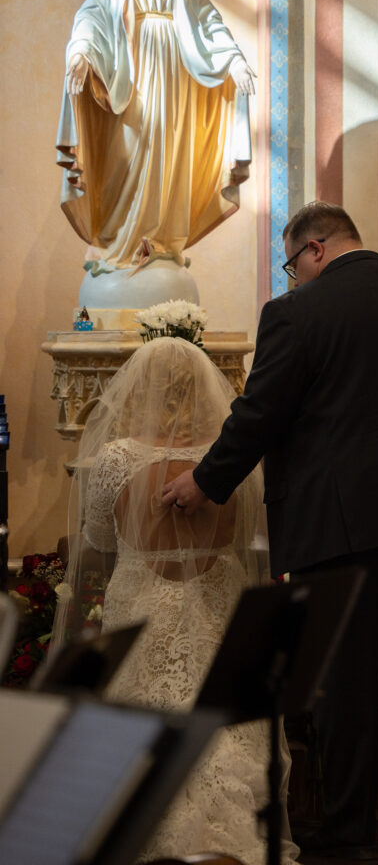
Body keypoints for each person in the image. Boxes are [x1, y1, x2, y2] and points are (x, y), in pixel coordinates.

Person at [162, 202, 378, 859]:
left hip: (340, 525)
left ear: (313, 249)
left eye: (293, 266)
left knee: (345, 683)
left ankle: (349, 833)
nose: (294, 279)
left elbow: (259, 413)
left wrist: (205, 482)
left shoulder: (296, 314)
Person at [52, 337, 297, 865]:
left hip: (143, 608)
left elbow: (99, 543)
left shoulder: (116, 460)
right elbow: (246, 540)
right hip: (219, 608)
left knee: (143, 723)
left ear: (138, 388)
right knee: (225, 727)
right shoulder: (233, 464)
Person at [56, 0, 255, 277]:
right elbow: (94, 13)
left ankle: (159, 241)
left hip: (174, 72)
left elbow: (205, 18)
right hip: (130, 70)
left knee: (168, 152)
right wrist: (79, 51)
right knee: (128, 148)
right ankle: (118, 241)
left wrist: (233, 59)